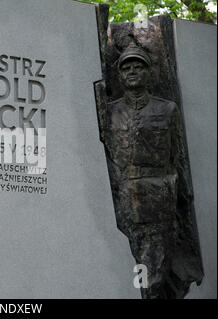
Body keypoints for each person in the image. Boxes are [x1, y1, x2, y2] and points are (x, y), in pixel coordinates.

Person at [101, 42, 202, 298]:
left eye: (138, 66)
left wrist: (183, 195)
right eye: (127, 68)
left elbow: (178, 156)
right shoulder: (110, 112)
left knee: (155, 268)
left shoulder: (167, 109)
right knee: (140, 262)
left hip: (160, 196)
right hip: (127, 199)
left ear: (148, 73)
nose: (132, 71)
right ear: (121, 75)